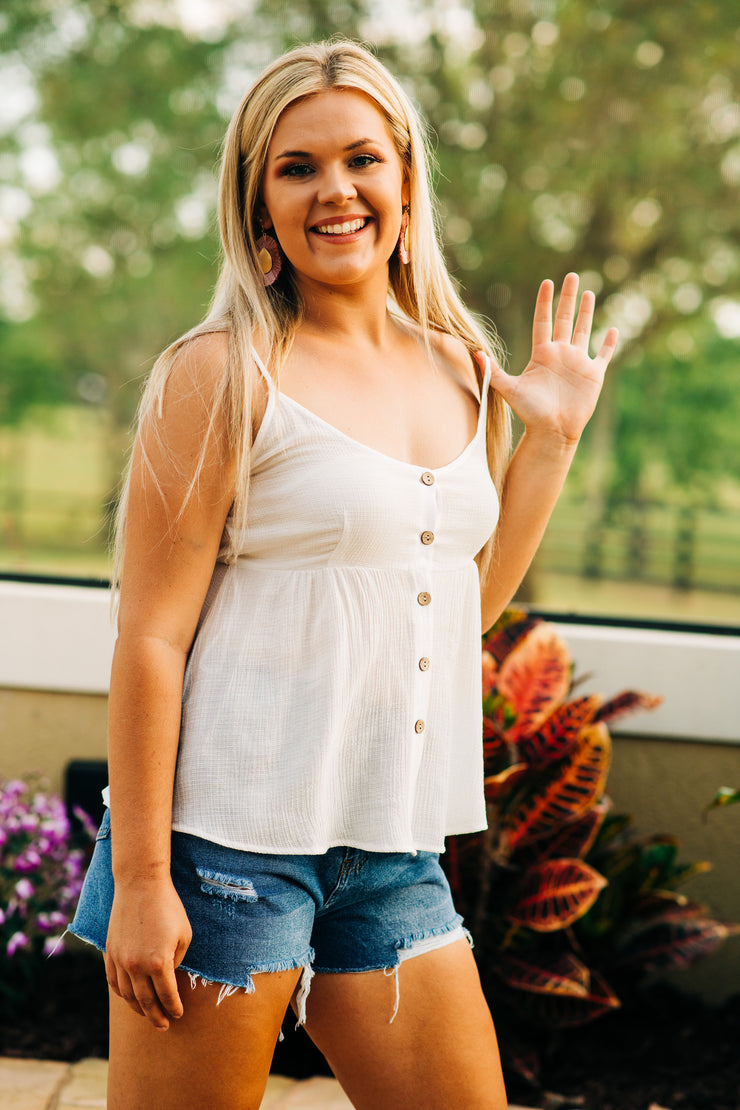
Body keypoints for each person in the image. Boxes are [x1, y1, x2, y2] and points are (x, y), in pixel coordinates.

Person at [70, 39, 618, 1110]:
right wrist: (140, 880)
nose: (336, 190)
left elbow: (464, 604)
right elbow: (147, 638)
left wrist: (547, 442)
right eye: (296, 167)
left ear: (406, 182)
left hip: (389, 848)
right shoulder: (220, 371)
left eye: (361, 159)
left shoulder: (461, 365)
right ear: (257, 201)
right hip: (224, 847)